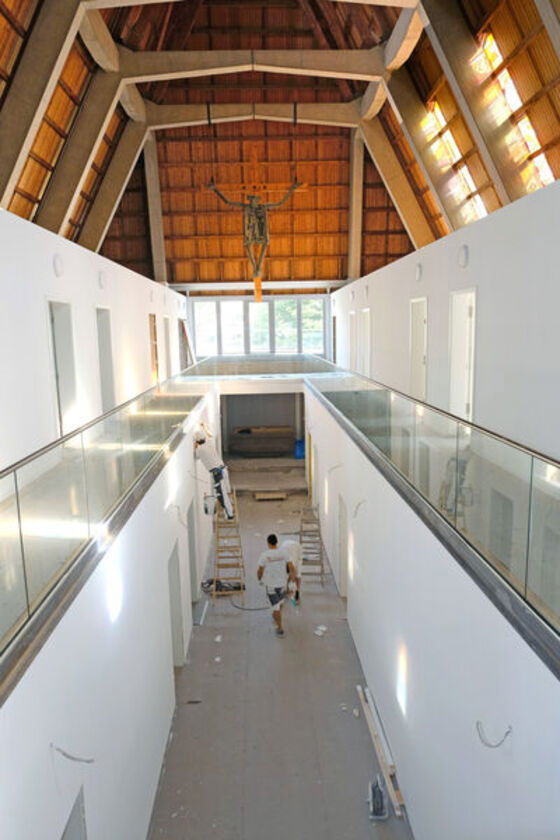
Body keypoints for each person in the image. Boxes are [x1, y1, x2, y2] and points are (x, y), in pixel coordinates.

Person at [207, 178, 302, 278]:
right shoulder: (246, 207)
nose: (253, 202)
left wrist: (292, 190)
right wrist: (215, 190)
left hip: (261, 229)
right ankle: (256, 267)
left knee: (264, 244)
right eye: (252, 200)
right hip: (250, 229)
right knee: (248, 245)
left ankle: (258, 267)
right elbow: (228, 202)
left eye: (255, 200)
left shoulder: (263, 207)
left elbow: (279, 203)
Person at [193, 422, 234, 519]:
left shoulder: (199, 450)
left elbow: (196, 456)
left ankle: (229, 515)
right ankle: (229, 507)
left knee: (222, 495)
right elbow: (210, 435)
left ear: (197, 441)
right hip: (223, 469)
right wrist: (204, 427)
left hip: (217, 474)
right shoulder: (209, 443)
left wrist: (195, 446)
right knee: (227, 491)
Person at [257, 534, 295, 637]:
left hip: (271, 585)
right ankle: (277, 615)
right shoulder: (284, 552)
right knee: (280, 602)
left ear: (268, 543)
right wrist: (291, 580)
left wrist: (259, 578)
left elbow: (260, 570)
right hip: (282, 583)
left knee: (276, 606)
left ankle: (280, 628)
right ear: (276, 542)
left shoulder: (265, 555)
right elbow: (291, 567)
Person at [281, 538, 303, 606]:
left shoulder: (295, 563)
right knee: (292, 576)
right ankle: (287, 589)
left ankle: (297, 594)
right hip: (286, 546)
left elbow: (297, 576)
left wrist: (296, 593)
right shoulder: (281, 563)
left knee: (297, 575)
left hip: (295, 547)